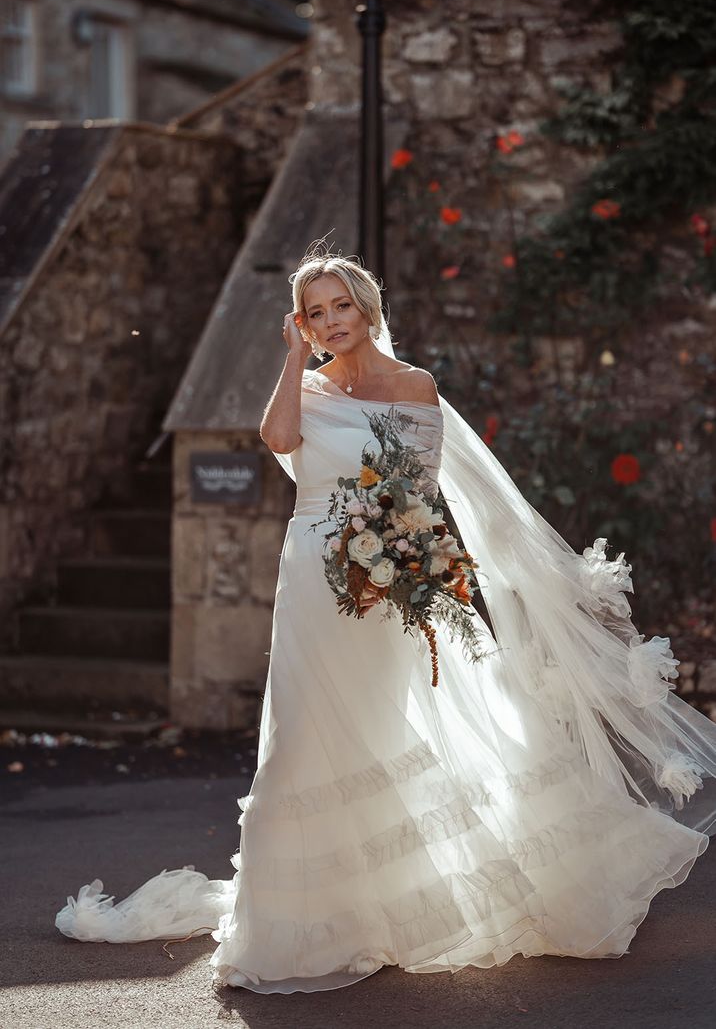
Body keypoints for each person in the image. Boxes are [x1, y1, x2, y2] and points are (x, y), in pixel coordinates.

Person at [56, 249, 716, 994]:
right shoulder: (303, 388)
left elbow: (420, 494)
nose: (330, 322)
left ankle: (404, 908)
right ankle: (299, 923)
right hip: (311, 580)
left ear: (366, 309)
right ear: (301, 325)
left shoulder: (414, 386)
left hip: (389, 584)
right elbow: (276, 440)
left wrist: (408, 563)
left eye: (341, 307)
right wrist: (287, 359)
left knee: (391, 729)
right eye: (314, 313)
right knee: (302, 739)